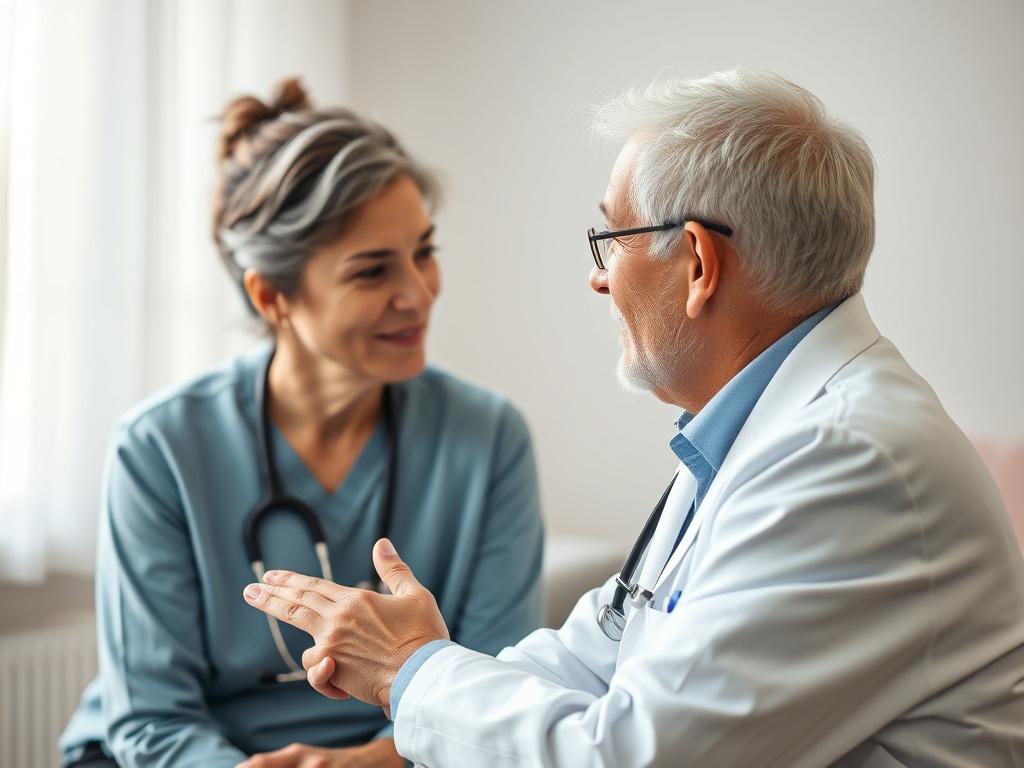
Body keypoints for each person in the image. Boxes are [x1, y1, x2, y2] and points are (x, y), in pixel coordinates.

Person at [243, 69, 1024, 767]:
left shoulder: (846, 459)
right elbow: (597, 652)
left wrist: (410, 670)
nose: (595, 279)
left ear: (696, 264)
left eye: (608, 239)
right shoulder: (755, 431)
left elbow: (632, 757)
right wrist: (395, 735)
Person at [58, 78, 544, 768]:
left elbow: (498, 687)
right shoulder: (161, 448)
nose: (418, 293)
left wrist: (360, 764)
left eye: (424, 252)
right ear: (273, 295)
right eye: (373, 272)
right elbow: (152, 720)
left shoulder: (488, 438)